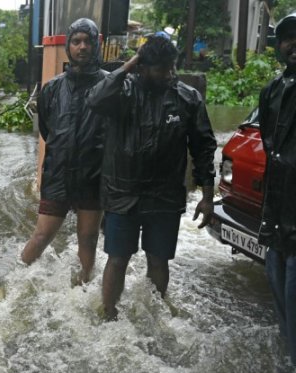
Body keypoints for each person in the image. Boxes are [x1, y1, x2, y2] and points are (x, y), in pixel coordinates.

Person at [86, 34, 217, 319]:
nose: (169, 74)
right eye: (161, 69)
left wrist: (207, 197)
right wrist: (126, 67)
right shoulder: (122, 92)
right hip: (122, 194)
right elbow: (94, 99)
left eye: (172, 67)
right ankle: (108, 313)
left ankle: (154, 317)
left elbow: (204, 148)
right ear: (143, 68)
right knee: (118, 258)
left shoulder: (187, 98)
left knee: (158, 260)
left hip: (165, 196)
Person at [21, 18, 106, 284]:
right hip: (58, 173)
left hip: (94, 175)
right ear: (68, 46)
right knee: (41, 235)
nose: (82, 47)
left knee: (88, 238)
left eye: (87, 42)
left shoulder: (109, 85)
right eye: (76, 41)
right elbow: (47, 130)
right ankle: (17, 282)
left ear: (96, 45)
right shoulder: (53, 88)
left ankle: (83, 288)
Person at [258, 12, 296, 366]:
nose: (294, 43)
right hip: (275, 218)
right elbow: (271, 151)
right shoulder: (271, 91)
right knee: (281, 305)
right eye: (287, 37)